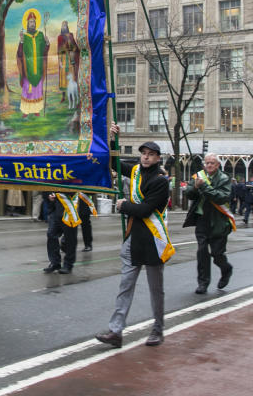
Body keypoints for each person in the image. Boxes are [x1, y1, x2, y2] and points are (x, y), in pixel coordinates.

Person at [96, 140, 172, 348]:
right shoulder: (136, 171)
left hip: (153, 240)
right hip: (133, 239)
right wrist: (113, 139)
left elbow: (145, 210)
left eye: (151, 154)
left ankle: (158, 329)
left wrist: (124, 205)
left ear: (158, 158)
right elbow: (114, 164)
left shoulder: (161, 181)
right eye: (143, 153)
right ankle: (116, 331)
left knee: (156, 289)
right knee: (125, 286)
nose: (146, 157)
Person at [183, 153, 235, 294]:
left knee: (217, 254)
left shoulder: (224, 179)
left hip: (218, 221)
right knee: (202, 252)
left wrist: (204, 187)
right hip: (202, 219)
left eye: (212, 163)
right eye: (207, 163)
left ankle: (226, 269)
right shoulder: (198, 176)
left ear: (218, 165)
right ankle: (203, 282)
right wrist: (195, 187)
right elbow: (188, 193)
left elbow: (221, 197)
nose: (209, 165)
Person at [16, 9, 49, 117]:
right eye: (30, 22)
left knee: (37, 90)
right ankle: (26, 111)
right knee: (27, 89)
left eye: (34, 22)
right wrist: (21, 41)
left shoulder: (40, 35)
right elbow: (19, 53)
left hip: (38, 68)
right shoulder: (24, 37)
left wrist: (47, 43)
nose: (32, 24)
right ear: (27, 24)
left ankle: (36, 110)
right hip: (27, 68)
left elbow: (44, 52)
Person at [42, 191, 79, 274]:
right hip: (55, 208)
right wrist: (48, 195)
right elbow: (45, 184)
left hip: (70, 207)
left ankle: (68, 264)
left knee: (70, 237)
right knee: (51, 234)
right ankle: (55, 262)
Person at [56, 19, 80, 102]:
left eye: (65, 26)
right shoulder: (59, 37)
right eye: (63, 26)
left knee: (71, 77)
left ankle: (71, 96)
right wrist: (59, 61)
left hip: (70, 58)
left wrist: (71, 47)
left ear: (67, 27)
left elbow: (74, 47)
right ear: (61, 27)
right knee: (63, 78)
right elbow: (59, 49)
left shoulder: (70, 35)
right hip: (63, 58)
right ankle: (63, 96)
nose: (64, 27)